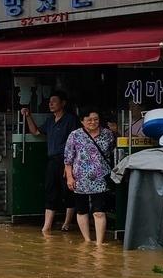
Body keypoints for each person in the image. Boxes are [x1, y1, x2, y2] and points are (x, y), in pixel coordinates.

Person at [20, 91, 80, 235]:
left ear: (63, 103)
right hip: (53, 160)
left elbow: (75, 143)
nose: (51, 104)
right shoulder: (50, 121)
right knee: (50, 190)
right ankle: (46, 227)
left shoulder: (70, 120)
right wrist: (28, 116)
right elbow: (35, 132)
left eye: (54, 101)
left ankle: (66, 223)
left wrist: (69, 165)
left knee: (68, 191)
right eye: (50, 102)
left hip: (67, 160)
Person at [64, 109, 117, 246]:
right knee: (82, 210)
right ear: (82, 121)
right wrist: (70, 178)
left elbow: (113, 151)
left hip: (100, 179)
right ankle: (87, 240)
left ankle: (99, 243)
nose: (93, 122)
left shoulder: (108, 134)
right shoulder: (74, 135)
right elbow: (68, 160)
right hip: (80, 179)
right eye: (89, 120)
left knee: (99, 211)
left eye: (96, 119)